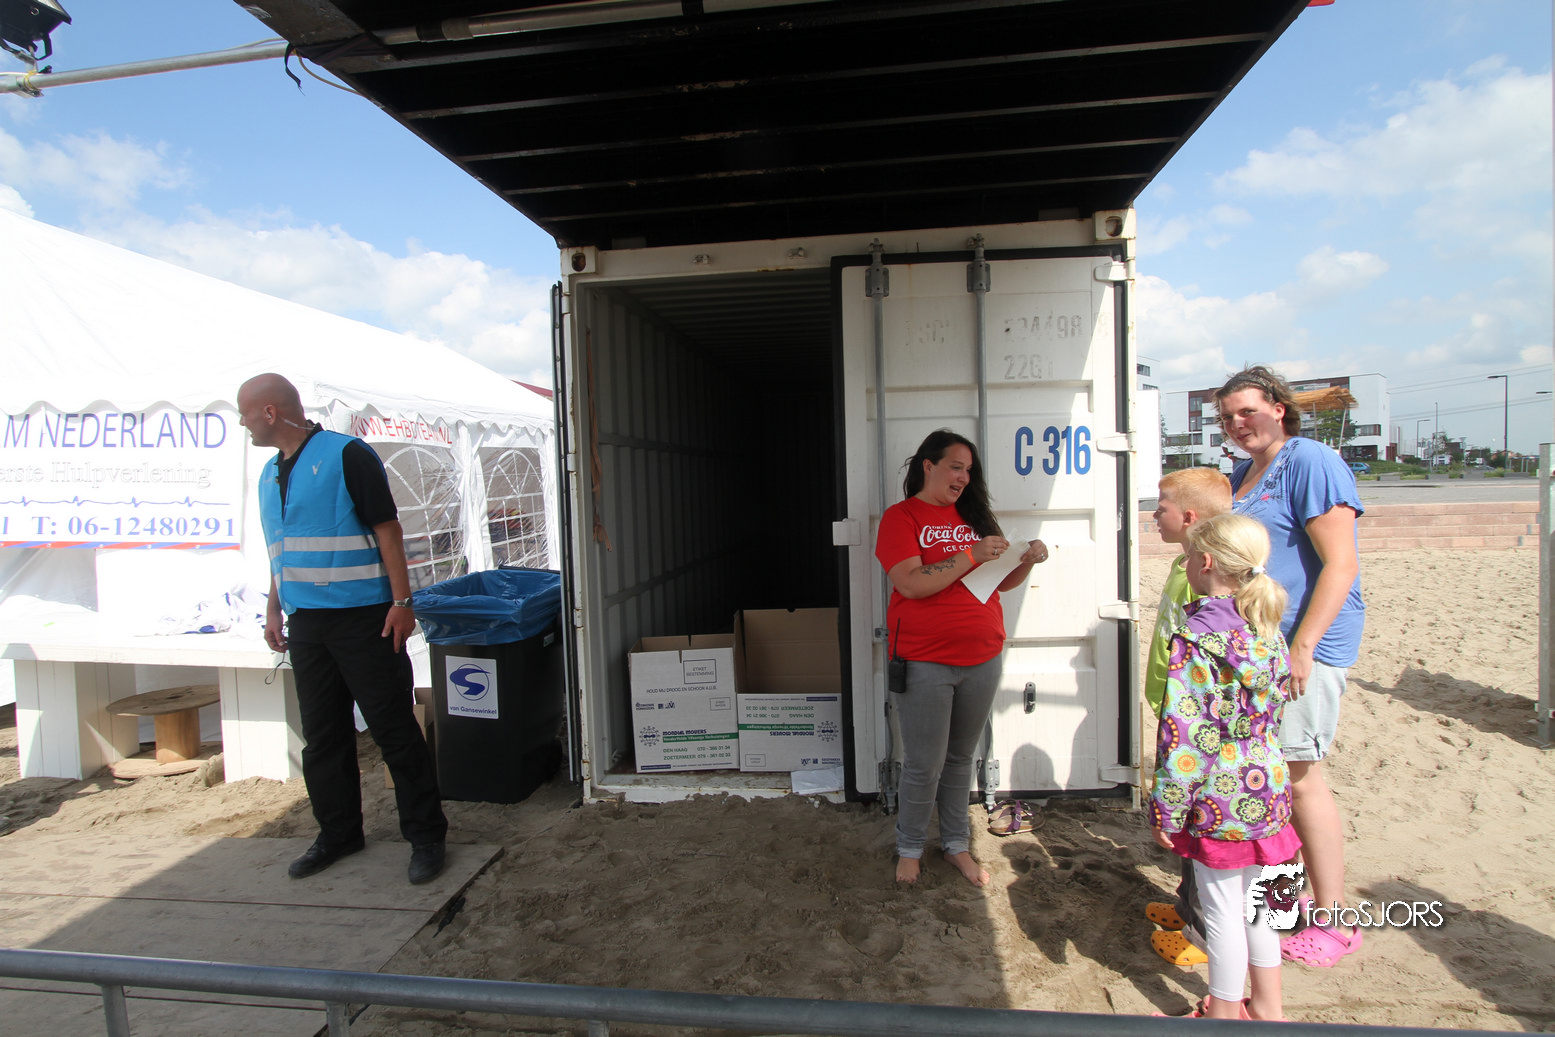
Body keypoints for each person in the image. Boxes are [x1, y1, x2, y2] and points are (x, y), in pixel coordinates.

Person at [237, 373, 448, 885]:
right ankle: (338, 834)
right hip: (307, 624)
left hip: (365, 619)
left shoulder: (346, 455)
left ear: (270, 412)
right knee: (322, 738)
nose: (243, 423)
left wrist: (403, 602)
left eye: (245, 413)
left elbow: (388, 530)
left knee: (393, 731)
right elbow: (282, 550)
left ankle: (426, 837)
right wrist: (273, 609)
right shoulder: (269, 474)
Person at [1215, 365, 1365, 967]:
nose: (1236, 424)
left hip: (1306, 645)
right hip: (1263, 646)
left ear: (1279, 408)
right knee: (1274, 776)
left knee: (1301, 776)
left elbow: (1341, 564)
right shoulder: (1243, 473)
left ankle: (1336, 922)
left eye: (1247, 411)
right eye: (1227, 417)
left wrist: (1303, 646)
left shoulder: (1310, 461)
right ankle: (1290, 901)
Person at [873, 429, 1050, 886]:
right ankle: (910, 848)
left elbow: (1000, 580)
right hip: (924, 659)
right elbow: (911, 582)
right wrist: (969, 554)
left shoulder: (975, 515)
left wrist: (1026, 559)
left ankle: (956, 845)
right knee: (922, 763)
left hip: (982, 656)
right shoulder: (901, 517)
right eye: (955, 467)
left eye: (969, 470)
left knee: (960, 759)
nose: (963, 477)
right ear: (928, 466)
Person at [1149, 513, 1298, 1022]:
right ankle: (1269, 1008)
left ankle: (1225, 1016)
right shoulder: (1266, 628)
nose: (1187, 564)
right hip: (1267, 782)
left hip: (1221, 795)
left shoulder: (1197, 639)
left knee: (1222, 912)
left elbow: (1187, 736)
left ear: (1206, 562)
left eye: (1190, 556)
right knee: (1260, 905)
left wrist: (1168, 809)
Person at [1142, 467, 1231, 969]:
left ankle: (1201, 930)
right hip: (1173, 710)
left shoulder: (1208, 578)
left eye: (1161, 509)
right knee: (1186, 829)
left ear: (1190, 516)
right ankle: (1184, 904)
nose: (1154, 517)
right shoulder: (1185, 565)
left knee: (1199, 822)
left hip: (1194, 723)